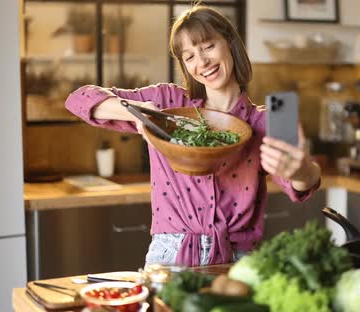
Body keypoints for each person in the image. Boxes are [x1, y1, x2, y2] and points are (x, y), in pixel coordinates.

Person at [65, 5, 321, 267]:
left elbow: (302, 186)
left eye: (208, 46)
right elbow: (78, 99)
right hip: (169, 255)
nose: (202, 62)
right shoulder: (167, 103)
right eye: (190, 57)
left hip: (237, 259)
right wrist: (137, 113)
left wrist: (301, 170)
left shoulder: (270, 120)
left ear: (230, 43)